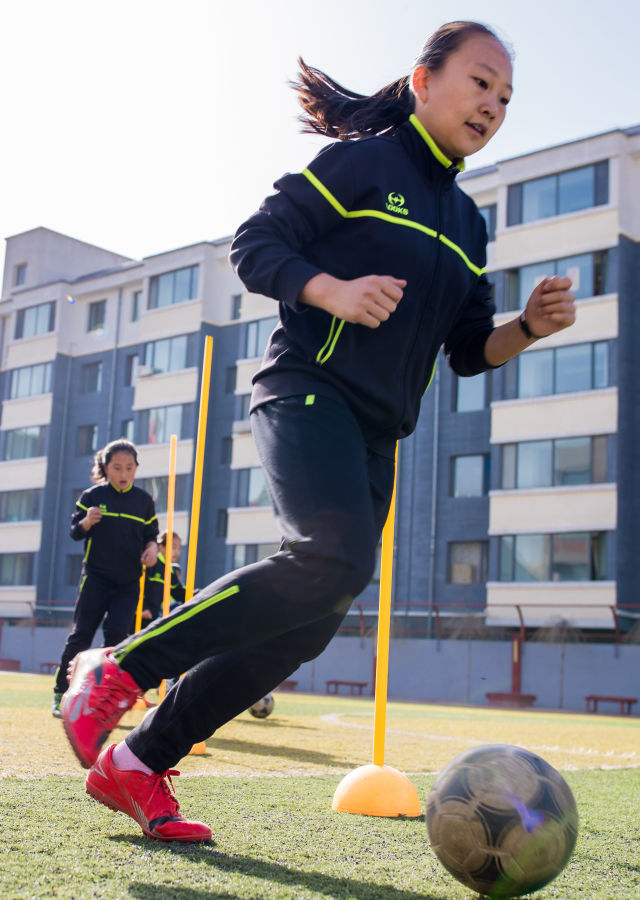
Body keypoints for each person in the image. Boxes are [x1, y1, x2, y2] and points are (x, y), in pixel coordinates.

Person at [60, 21, 575, 842]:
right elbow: (255, 245)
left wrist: (530, 329)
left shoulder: (469, 224)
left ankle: (139, 763)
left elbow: (472, 350)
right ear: (423, 79)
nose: (494, 105)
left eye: (506, 97)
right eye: (480, 83)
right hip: (306, 389)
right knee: (332, 555)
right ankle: (121, 669)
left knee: (311, 619)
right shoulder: (362, 163)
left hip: (377, 436)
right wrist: (329, 290)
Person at [52, 439, 158, 717]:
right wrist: (87, 521)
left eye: (129, 468)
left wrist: (152, 547)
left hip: (128, 583)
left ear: (136, 468)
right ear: (105, 468)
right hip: (96, 579)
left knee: (117, 638)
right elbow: (75, 532)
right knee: (81, 636)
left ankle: (99, 697)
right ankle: (60, 694)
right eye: (117, 468)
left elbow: (151, 536)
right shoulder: (91, 496)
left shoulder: (144, 501)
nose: (124, 474)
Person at [140, 531, 186, 624]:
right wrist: (142, 608)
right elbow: (137, 586)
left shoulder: (170, 570)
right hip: (139, 615)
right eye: (173, 548)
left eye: (179, 548)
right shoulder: (152, 564)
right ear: (161, 547)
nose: (176, 552)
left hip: (152, 618)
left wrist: (201, 595)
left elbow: (179, 592)